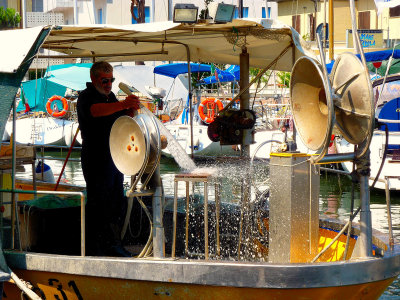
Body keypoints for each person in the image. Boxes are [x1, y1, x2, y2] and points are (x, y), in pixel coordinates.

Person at [77, 61, 140, 256]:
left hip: (114, 157)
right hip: (95, 157)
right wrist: (122, 104)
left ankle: (113, 244)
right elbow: (95, 111)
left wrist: (130, 108)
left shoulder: (110, 97)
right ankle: (95, 247)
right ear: (94, 78)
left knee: (116, 202)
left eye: (111, 80)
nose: (109, 84)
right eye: (105, 80)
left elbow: (121, 116)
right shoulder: (86, 97)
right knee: (99, 202)